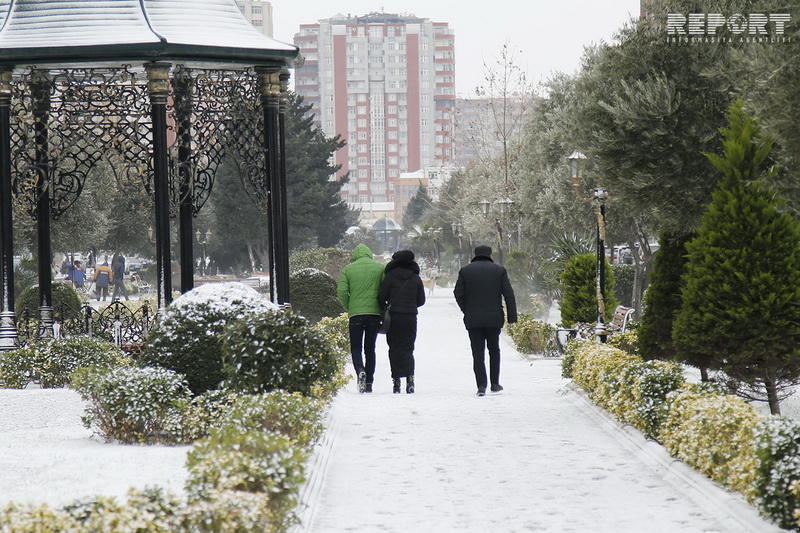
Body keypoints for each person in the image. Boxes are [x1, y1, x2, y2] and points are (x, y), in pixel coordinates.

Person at [453, 245, 517, 397]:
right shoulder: (499, 271)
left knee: (477, 352)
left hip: (473, 318)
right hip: (494, 318)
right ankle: (495, 383)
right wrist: (512, 317)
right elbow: (509, 294)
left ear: (475, 255)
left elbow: (458, 293)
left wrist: (466, 309)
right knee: (494, 350)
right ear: (490, 254)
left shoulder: (465, 271)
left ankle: (481, 385)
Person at [337, 243, 385, 394]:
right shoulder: (379, 268)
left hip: (356, 314)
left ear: (355, 255)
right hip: (374, 314)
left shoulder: (348, 269)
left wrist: (350, 307)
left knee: (356, 348)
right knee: (370, 348)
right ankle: (369, 381)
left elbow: (342, 292)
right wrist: (381, 307)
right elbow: (385, 290)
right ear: (370, 254)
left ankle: (360, 371)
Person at [379, 249, 426, 394]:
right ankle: (410, 379)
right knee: (408, 347)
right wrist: (411, 306)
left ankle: (396, 381)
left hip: (394, 317)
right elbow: (421, 300)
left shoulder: (390, 276)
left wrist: (386, 307)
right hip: (410, 317)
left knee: (394, 348)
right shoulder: (415, 278)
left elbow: (381, 297)